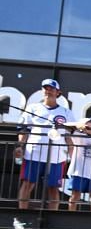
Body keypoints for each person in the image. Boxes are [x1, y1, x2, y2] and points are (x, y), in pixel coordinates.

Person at [16, 78, 71, 210]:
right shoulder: (32, 108)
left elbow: (70, 135)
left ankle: (53, 217)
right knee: (28, 184)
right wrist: (19, 146)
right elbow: (24, 129)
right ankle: (22, 213)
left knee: (53, 188)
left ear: (58, 92)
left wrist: (71, 155)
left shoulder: (66, 112)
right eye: (46, 88)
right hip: (33, 154)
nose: (48, 91)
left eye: (52, 89)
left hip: (56, 157)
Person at [64, 117, 91, 211]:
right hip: (78, 171)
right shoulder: (79, 136)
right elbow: (66, 125)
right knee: (76, 195)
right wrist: (79, 126)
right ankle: (70, 216)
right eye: (90, 122)